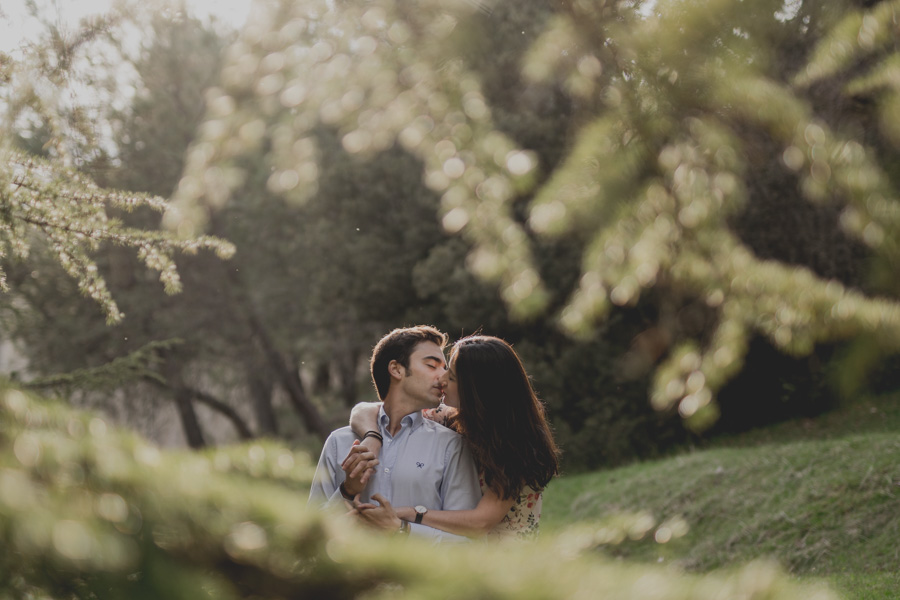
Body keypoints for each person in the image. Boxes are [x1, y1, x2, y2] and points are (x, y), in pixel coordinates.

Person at [344, 335, 560, 540]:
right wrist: (372, 438)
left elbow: (480, 522)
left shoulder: (518, 441)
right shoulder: (452, 418)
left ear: (477, 388)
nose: (442, 379)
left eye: (452, 376)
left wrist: (408, 513)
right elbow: (366, 410)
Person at [307, 325, 481, 542]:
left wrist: (401, 531)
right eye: (431, 365)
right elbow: (310, 535)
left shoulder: (451, 445)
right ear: (396, 370)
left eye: (445, 368)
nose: (443, 377)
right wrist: (347, 491)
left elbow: (467, 542)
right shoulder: (339, 442)